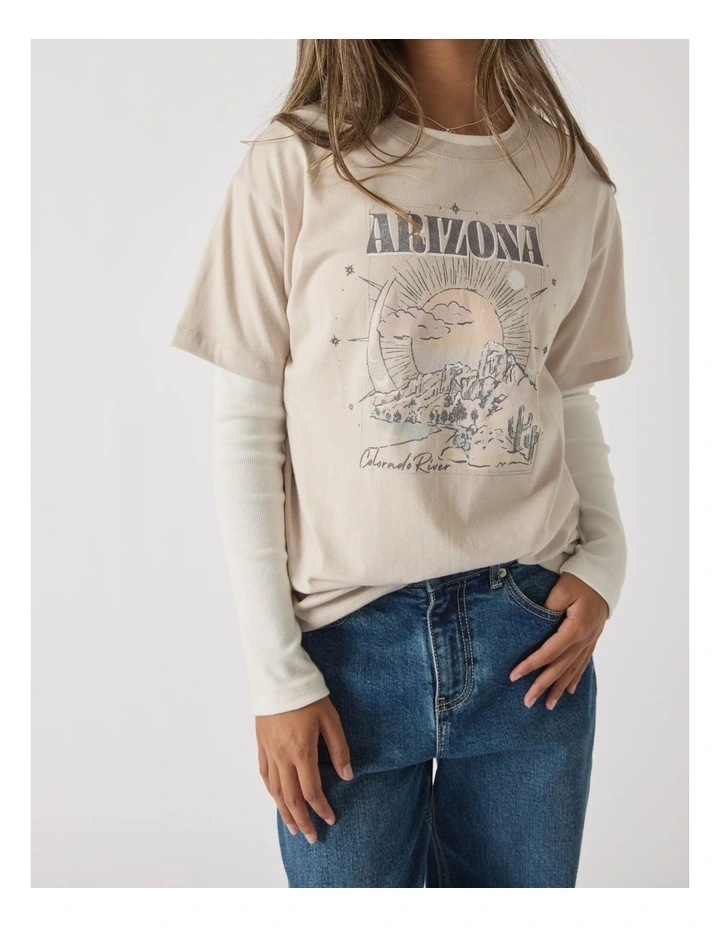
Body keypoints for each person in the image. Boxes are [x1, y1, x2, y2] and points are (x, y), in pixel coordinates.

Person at [170, 39, 634, 888]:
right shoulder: (298, 160)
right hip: (345, 651)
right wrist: (277, 678)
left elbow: (567, 398)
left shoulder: (568, 178)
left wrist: (605, 563)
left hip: (530, 639)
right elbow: (246, 427)